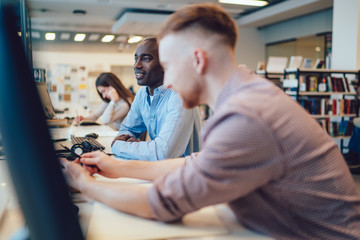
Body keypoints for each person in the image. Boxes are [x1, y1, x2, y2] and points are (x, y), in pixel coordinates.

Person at [61, 3, 360, 239]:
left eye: (170, 66)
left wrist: (84, 184)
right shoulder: (244, 94)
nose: (167, 81)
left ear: (198, 60)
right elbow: (198, 162)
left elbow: (161, 204)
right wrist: (116, 166)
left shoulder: (245, 116)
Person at [110, 37, 201, 161]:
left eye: (146, 59)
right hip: (161, 171)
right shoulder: (142, 94)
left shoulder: (180, 95)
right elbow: (127, 130)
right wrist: (136, 147)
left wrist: (120, 146)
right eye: (136, 59)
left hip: (187, 175)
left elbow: (163, 152)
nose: (137, 65)